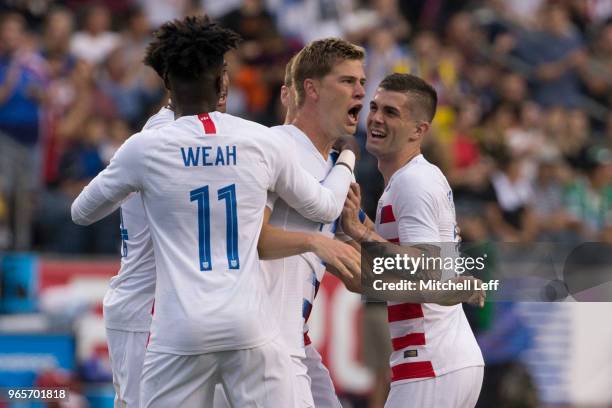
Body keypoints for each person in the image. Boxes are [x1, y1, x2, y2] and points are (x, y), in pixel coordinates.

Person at [71, 16, 358, 407]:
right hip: (242, 327)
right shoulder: (262, 139)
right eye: (349, 81)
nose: (362, 94)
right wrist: (346, 163)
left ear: (168, 82)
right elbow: (298, 219)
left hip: (178, 325)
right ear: (222, 81)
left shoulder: (146, 145)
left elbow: (82, 211)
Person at [340, 73, 484, 407]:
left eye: (391, 112)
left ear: (419, 130)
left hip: (430, 359)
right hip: (444, 359)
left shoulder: (412, 183)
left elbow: (425, 269)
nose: (375, 117)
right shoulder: (415, 178)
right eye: (374, 107)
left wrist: (363, 233)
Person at [256, 37, 366, 408]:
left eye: (362, 82)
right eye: (348, 81)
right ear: (312, 89)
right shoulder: (277, 147)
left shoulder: (335, 169)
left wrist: (440, 275)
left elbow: (358, 275)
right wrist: (317, 243)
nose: (360, 92)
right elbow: (254, 239)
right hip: (263, 342)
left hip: (296, 339)